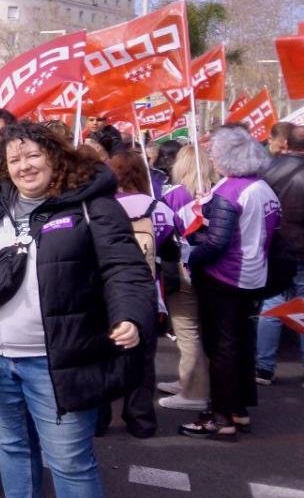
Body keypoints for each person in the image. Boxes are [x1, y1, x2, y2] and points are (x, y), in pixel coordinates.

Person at [0, 121, 156, 498]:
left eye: (33, 155)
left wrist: (130, 315)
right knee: (13, 448)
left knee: (70, 461)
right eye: (14, 159)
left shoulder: (93, 204)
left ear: (55, 156)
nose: (24, 166)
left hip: (59, 361)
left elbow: (125, 269)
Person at [179, 125, 280, 439]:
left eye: (213, 153)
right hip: (252, 275)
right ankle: (238, 409)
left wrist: (189, 254)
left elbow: (216, 244)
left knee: (220, 347)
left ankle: (220, 416)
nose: (210, 157)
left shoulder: (230, 191)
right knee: (239, 344)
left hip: (225, 277)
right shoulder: (262, 187)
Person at [101, 150, 176, 438]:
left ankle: (99, 419)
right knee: (143, 360)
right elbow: (171, 252)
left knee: (106, 357)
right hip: (147, 290)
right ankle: (141, 420)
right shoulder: (160, 207)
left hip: (109, 290)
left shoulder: (103, 207)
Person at [156, 145, 217, 412]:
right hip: (211, 268)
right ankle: (189, 381)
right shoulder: (215, 193)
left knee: (187, 330)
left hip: (183, 267)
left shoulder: (175, 196)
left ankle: (194, 391)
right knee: (200, 328)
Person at [255, 124, 304, 385]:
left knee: (272, 305)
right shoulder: (269, 168)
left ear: (285, 143)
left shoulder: (267, 170)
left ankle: (264, 368)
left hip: (275, 247)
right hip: (298, 250)